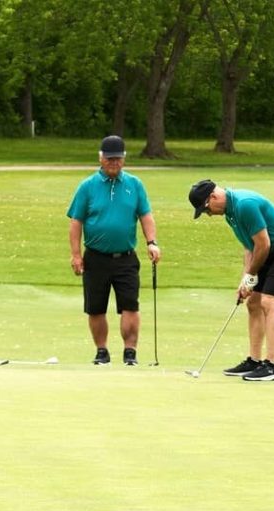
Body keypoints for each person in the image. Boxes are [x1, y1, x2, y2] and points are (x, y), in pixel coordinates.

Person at [188, 180, 274, 382]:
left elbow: (263, 243)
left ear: (213, 198)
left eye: (206, 209)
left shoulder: (245, 204)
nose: (208, 214)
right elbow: (249, 247)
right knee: (253, 302)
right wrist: (246, 279)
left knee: (269, 302)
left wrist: (252, 275)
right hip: (267, 252)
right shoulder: (230, 213)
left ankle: (272, 366)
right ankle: (254, 361)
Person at [67, 135, 161, 365]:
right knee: (95, 307)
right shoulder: (87, 186)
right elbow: (76, 222)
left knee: (130, 305)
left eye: (117, 159)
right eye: (109, 159)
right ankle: (102, 351)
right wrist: (76, 255)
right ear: (100, 158)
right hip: (96, 257)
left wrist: (152, 242)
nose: (113, 163)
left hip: (126, 257)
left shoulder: (134, 185)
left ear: (124, 159)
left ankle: (130, 352)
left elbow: (145, 215)